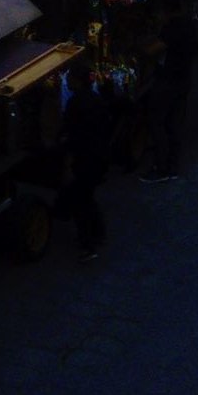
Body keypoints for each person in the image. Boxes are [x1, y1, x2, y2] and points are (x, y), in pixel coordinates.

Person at [143, 0, 195, 181]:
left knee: (157, 122)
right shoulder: (188, 23)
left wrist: (140, 45)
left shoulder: (173, 28)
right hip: (183, 78)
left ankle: (161, 166)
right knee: (173, 123)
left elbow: (152, 50)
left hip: (168, 82)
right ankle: (172, 164)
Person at [62, 70, 113, 260]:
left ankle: (88, 244)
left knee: (80, 202)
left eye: (70, 78)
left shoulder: (74, 103)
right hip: (99, 157)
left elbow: (72, 137)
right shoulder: (95, 99)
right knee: (88, 197)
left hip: (84, 160)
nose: (67, 81)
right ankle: (99, 232)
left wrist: (68, 165)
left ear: (77, 81)